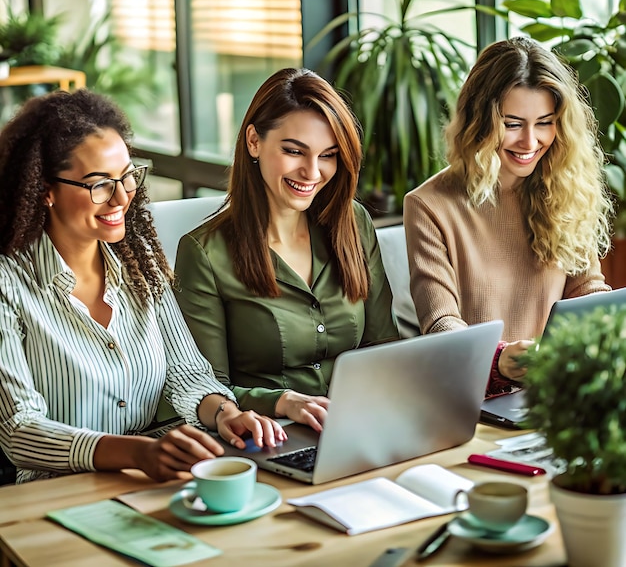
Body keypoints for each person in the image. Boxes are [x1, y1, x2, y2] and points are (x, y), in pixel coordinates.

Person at [0, 89, 286, 484]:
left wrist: (226, 414)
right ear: (45, 190)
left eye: (127, 176)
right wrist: (136, 451)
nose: (122, 197)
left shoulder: (141, 264)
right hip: (57, 493)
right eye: (99, 184)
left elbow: (187, 373)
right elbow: (20, 430)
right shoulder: (8, 283)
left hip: (152, 480)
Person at [174, 67, 399, 431]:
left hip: (363, 424)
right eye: (295, 151)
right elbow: (203, 389)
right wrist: (280, 402)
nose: (312, 172)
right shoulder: (204, 254)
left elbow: (385, 344)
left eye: (328, 155)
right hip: (271, 437)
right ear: (253, 142)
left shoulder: (352, 222)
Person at [404, 36, 613, 397]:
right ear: (479, 121)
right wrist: (499, 359)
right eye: (512, 124)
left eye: (545, 123)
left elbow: (586, 289)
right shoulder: (429, 206)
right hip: (472, 397)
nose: (530, 142)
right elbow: (440, 323)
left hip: (556, 391)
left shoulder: (567, 187)